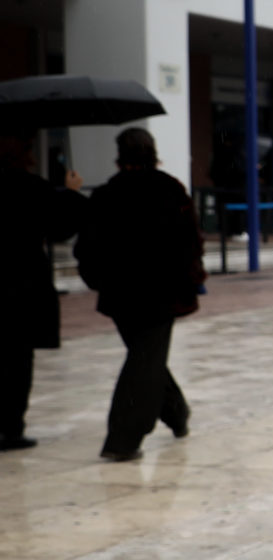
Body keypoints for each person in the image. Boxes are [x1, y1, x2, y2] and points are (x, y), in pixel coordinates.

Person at [74, 127, 206, 463]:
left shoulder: (106, 194)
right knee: (145, 360)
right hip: (162, 292)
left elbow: (87, 247)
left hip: (121, 294)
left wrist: (98, 279)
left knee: (144, 357)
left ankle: (175, 413)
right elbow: (190, 241)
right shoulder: (170, 190)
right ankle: (125, 436)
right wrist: (190, 278)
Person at [1, 132, 85, 451]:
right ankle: (11, 427)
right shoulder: (32, 187)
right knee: (18, 358)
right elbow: (61, 228)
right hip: (22, 281)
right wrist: (73, 192)